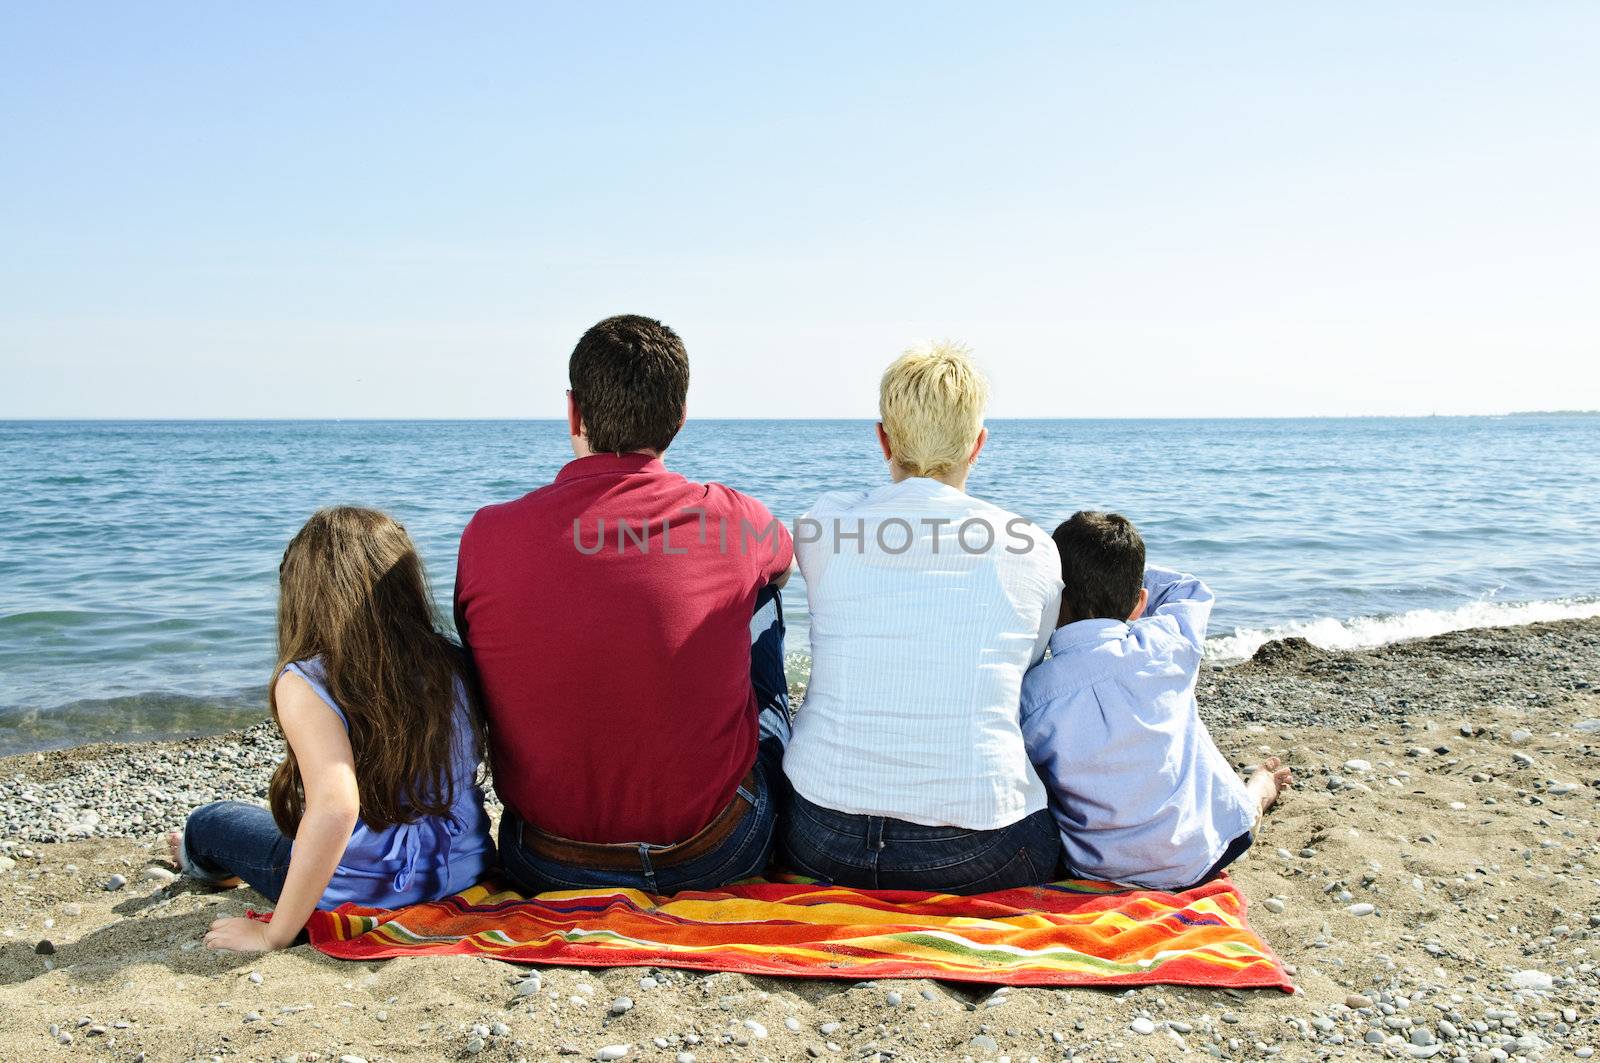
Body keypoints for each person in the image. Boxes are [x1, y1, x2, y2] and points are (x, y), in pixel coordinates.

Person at [455, 314, 793, 895]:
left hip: (547, 862)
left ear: (573, 412)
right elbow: (783, 569)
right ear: (679, 418)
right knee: (761, 592)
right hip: (716, 854)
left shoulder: (487, 534)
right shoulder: (737, 517)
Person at [780, 342, 1064, 893]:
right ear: (978, 445)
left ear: (883, 438)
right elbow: (1027, 664)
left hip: (821, 838)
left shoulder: (823, 526)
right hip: (978, 849)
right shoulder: (1028, 545)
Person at [175, 507, 494, 951]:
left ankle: (196, 857)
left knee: (211, 822)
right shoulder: (453, 662)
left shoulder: (307, 680)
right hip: (464, 873)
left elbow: (336, 809)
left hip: (363, 891)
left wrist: (273, 933)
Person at [1019, 511, 1292, 891]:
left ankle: (1258, 790)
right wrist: (1124, 575)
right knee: (1225, 798)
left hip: (1097, 872)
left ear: (1053, 597)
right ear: (1140, 603)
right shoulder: (1166, 646)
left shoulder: (1033, 694)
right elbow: (1188, 589)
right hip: (1200, 857)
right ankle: (1259, 790)